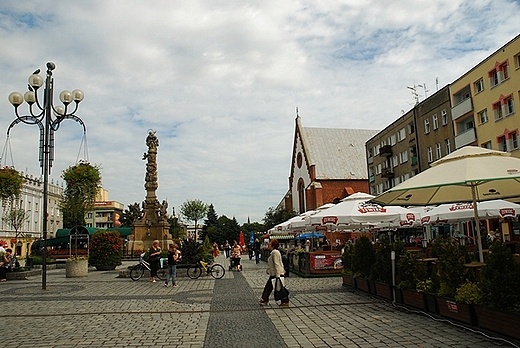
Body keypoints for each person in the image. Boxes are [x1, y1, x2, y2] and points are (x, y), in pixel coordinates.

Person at [259, 239, 289, 306]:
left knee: (278, 287)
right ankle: (265, 298)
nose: (268, 245)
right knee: (270, 286)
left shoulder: (275, 252)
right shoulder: (274, 252)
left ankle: (285, 300)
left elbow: (276, 264)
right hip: (274, 273)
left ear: (273, 245)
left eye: (270, 244)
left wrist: (278, 275)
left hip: (276, 273)